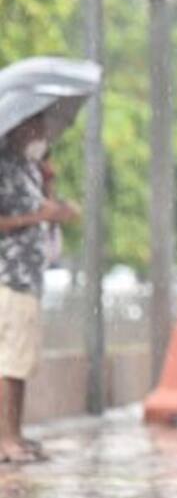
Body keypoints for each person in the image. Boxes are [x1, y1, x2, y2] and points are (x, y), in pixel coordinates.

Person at [0, 113, 78, 463]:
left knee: (22, 361)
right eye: (36, 127)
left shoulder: (27, 166)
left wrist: (49, 187)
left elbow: (43, 207)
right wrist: (41, 216)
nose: (42, 135)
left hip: (30, 276)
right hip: (9, 273)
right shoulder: (4, 165)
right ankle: (6, 438)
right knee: (9, 361)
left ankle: (15, 432)